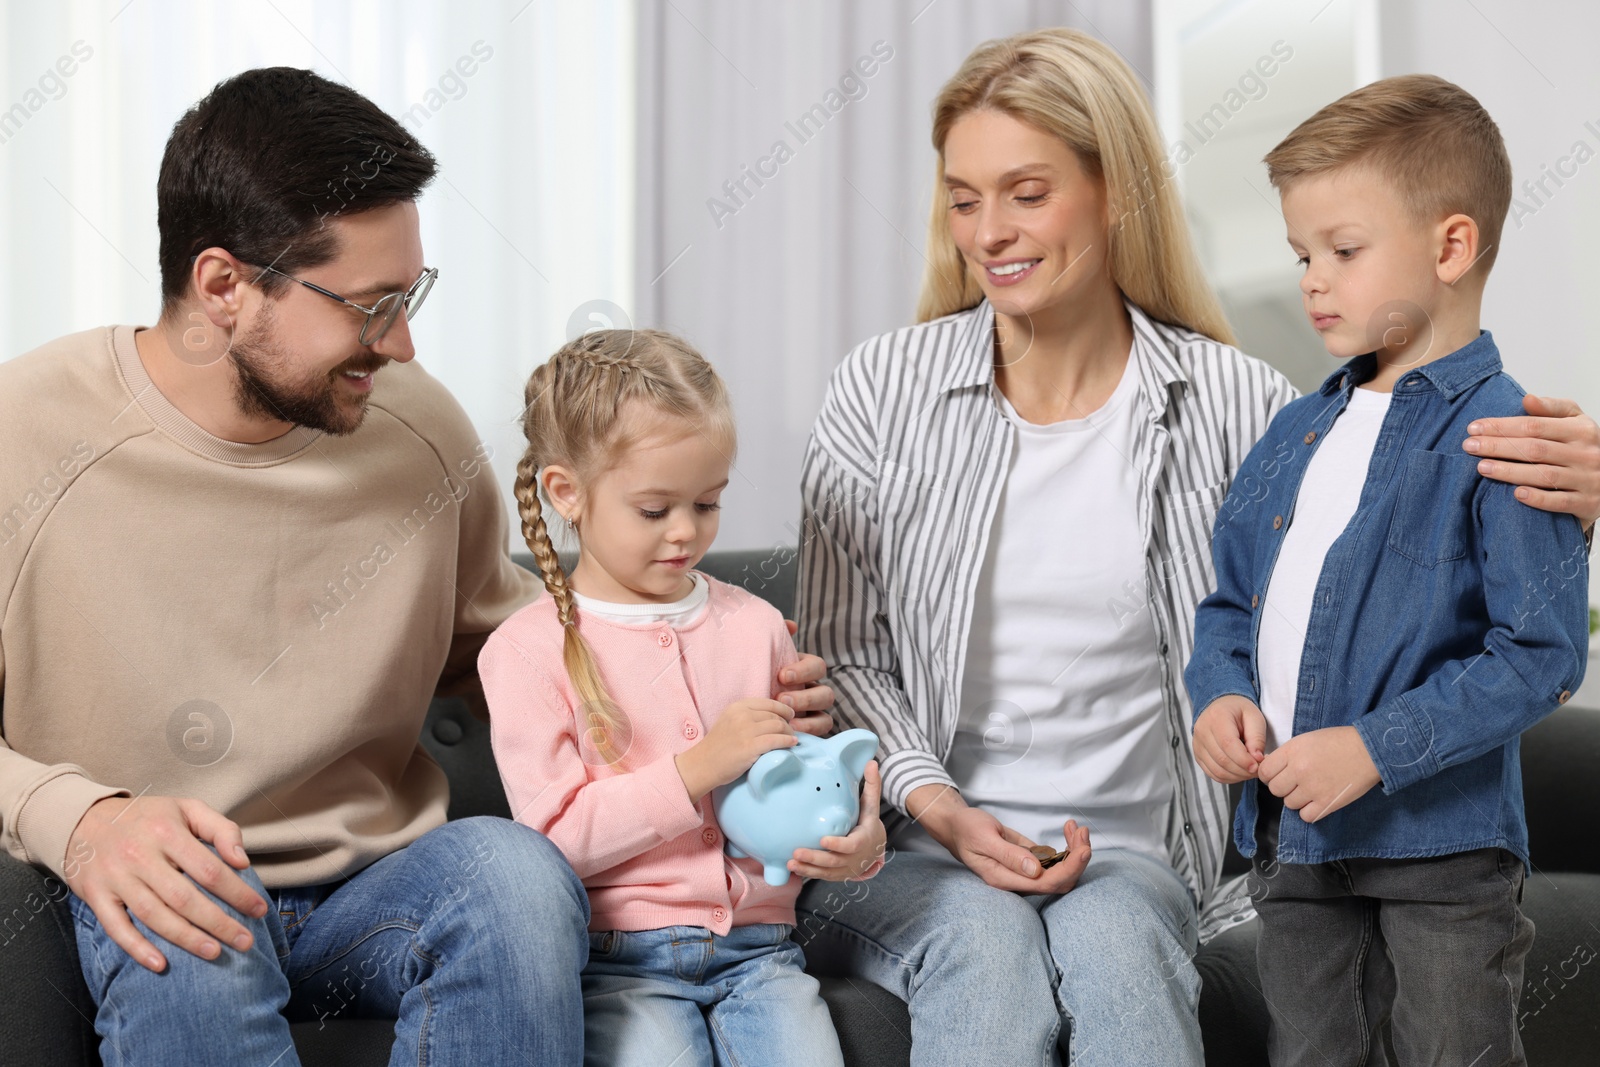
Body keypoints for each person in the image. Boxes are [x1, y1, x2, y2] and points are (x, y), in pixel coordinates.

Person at [790, 28, 1600, 1067]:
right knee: (986, 948)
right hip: (920, 849)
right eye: (962, 197)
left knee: (1123, 946)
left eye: (1026, 192)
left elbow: (1374, 560)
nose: (986, 231)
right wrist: (941, 809)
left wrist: (1567, 488)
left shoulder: (1242, 404)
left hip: (1146, 859)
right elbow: (843, 654)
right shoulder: (880, 390)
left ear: (1114, 189)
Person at [0, 69, 837, 1065]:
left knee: (515, 875)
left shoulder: (414, 428)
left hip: (378, 888)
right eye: (371, 306)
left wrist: (725, 679)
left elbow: (517, 637)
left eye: (412, 295)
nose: (400, 343)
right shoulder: (28, 432)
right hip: (163, 882)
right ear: (224, 287)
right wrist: (81, 818)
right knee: (189, 919)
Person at [1186, 74, 1584, 1067]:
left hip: (1440, 850)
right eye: (1301, 255)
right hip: (1294, 840)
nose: (1311, 279)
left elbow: (1538, 653)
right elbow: (1229, 602)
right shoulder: (1292, 431)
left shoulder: (1510, 439)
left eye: (1343, 251)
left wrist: (1373, 746)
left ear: (1451, 245)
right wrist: (1220, 694)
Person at [479, 328, 885, 1067]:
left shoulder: (757, 626)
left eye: (707, 502)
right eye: (654, 508)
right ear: (567, 491)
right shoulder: (525, 651)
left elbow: (803, 784)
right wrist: (698, 766)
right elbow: (550, 844)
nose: (686, 532)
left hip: (763, 952)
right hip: (617, 964)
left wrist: (860, 839)